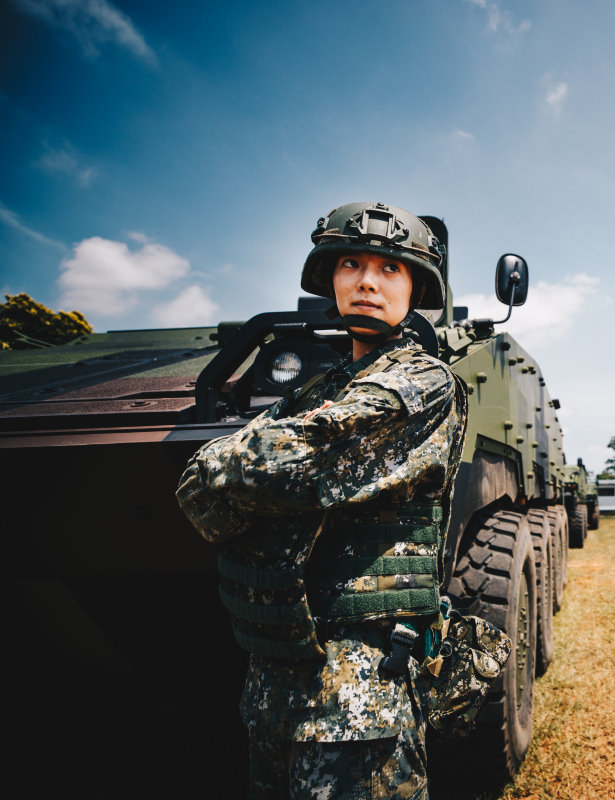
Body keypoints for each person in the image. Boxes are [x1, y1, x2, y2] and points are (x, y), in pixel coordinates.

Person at [177, 202, 497, 799]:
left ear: (416, 287)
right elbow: (197, 494)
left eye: (390, 269)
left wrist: (241, 467)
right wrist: (246, 468)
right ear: (331, 278)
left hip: (359, 693)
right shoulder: (313, 392)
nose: (368, 281)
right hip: (274, 685)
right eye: (351, 263)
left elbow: (304, 461)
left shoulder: (424, 383)